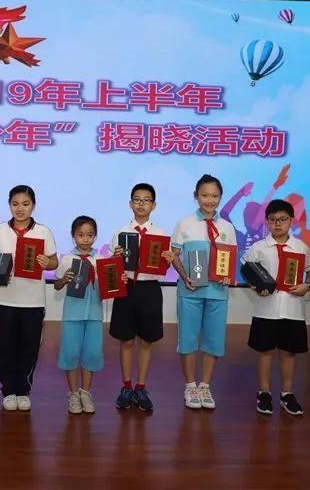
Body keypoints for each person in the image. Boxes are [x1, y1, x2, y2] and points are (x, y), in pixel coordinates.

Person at [0, 185, 58, 412]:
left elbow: (54, 262)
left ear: (33, 206)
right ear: (9, 205)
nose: (20, 209)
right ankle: (8, 390)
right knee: (4, 347)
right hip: (2, 299)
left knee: (29, 347)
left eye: (25, 204)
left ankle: (24, 390)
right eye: (15, 204)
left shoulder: (43, 232)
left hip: (33, 300)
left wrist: (47, 263)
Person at [169, 174, 237, 411]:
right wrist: (184, 276)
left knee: (213, 340)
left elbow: (229, 261)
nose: (210, 200)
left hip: (218, 292)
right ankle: (190, 386)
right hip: (190, 291)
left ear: (220, 197)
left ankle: (205, 386)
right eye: (205, 195)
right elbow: (173, 256)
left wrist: (228, 276)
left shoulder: (227, 227)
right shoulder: (184, 224)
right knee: (187, 339)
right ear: (196, 196)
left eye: (215, 196)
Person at [243, 199, 310, 416]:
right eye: (273, 220)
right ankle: (264, 392)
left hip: (293, 309)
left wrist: (307, 286)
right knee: (264, 352)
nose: (277, 224)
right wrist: (256, 287)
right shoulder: (258, 247)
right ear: (266, 221)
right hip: (265, 308)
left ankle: (287, 394)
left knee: (288, 353)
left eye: (283, 219)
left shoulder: (301, 247)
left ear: (291, 221)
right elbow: (247, 271)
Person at [109, 183, 172, 412]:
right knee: (126, 340)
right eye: (137, 199)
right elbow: (113, 267)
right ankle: (126, 386)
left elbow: (163, 267)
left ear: (153, 205)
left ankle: (141, 387)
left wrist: (168, 260)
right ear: (130, 204)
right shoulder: (120, 233)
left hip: (150, 289)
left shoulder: (161, 234)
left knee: (146, 341)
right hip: (127, 289)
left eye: (146, 200)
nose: (141, 204)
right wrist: (116, 258)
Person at [53, 215, 112, 415]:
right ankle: (73, 394)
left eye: (90, 235)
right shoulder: (67, 259)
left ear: (95, 236)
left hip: (94, 314)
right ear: (73, 236)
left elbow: (110, 286)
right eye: (80, 235)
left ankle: (85, 392)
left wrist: (117, 278)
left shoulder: (101, 259)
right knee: (70, 353)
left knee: (92, 354)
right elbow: (57, 285)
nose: (85, 239)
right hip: (72, 314)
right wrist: (64, 279)